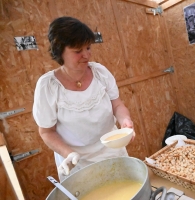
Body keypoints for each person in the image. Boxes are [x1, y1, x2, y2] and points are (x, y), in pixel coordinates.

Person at [32, 16, 134, 182]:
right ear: (60, 51)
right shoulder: (48, 86)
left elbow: (117, 105)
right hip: (77, 161)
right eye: (78, 51)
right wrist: (68, 154)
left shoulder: (100, 72)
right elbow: (46, 132)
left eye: (88, 47)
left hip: (111, 150)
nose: (86, 55)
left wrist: (125, 120)